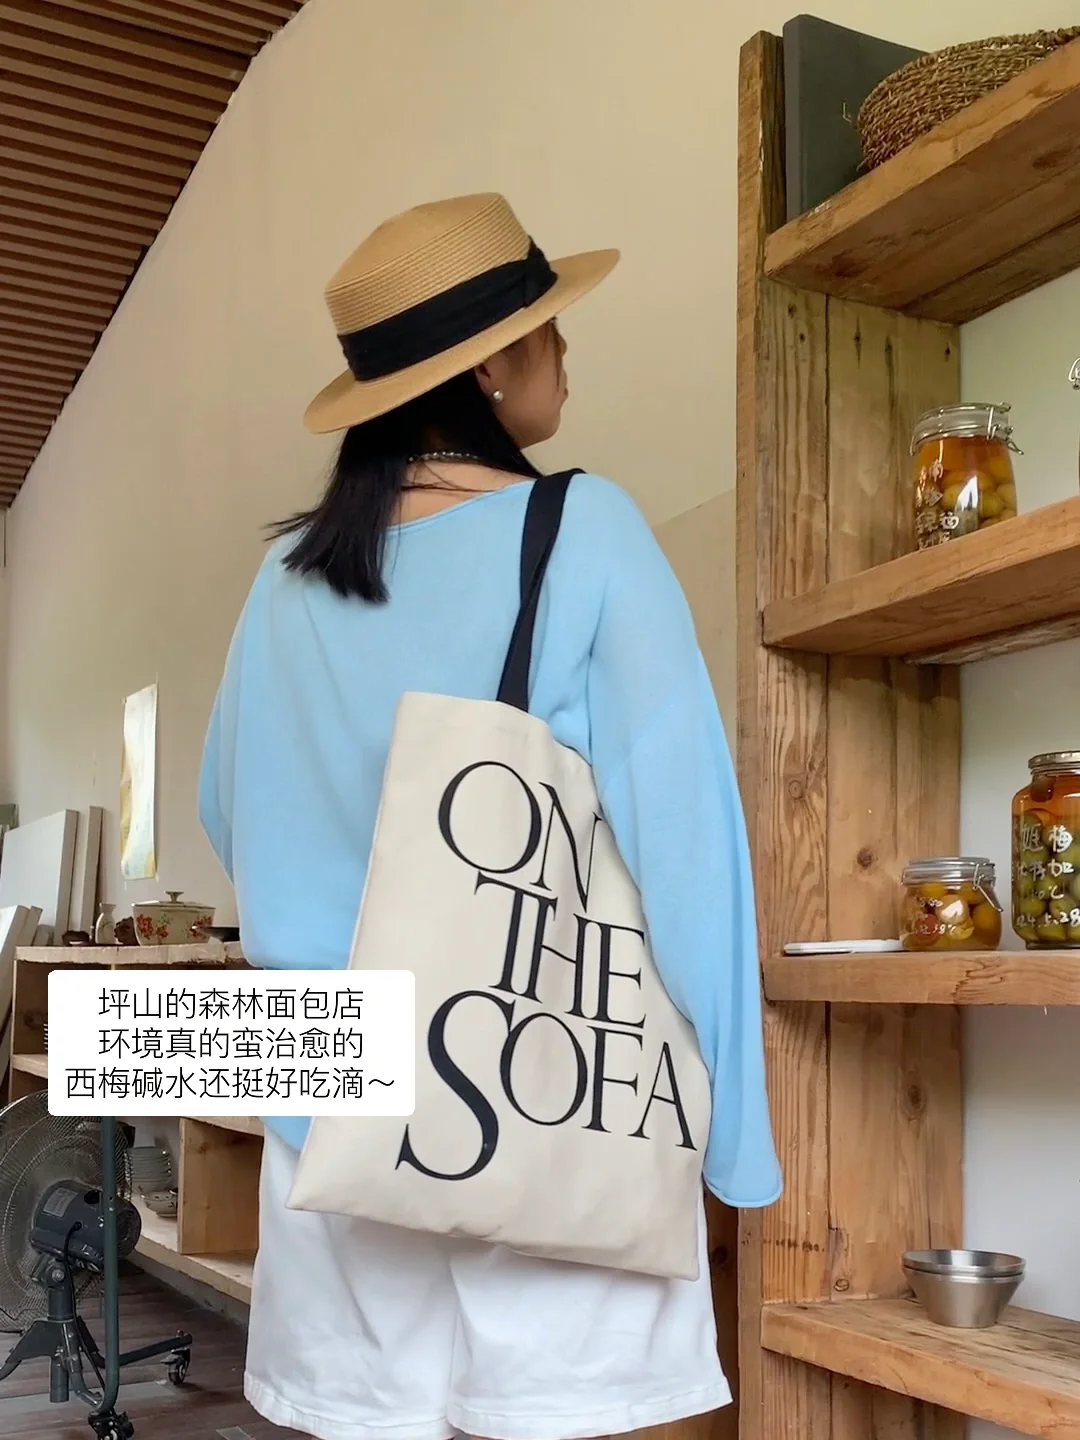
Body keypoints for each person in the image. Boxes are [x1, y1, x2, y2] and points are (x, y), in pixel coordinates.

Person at [199, 192, 781, 1440]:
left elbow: (225, 810)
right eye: (550, 328)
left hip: (328, 1120)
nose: (567, 351)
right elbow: (688, 850)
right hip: (539, 1089)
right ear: (492, 364)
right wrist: (739, 1139)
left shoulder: (284, 578)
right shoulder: (583, 528)